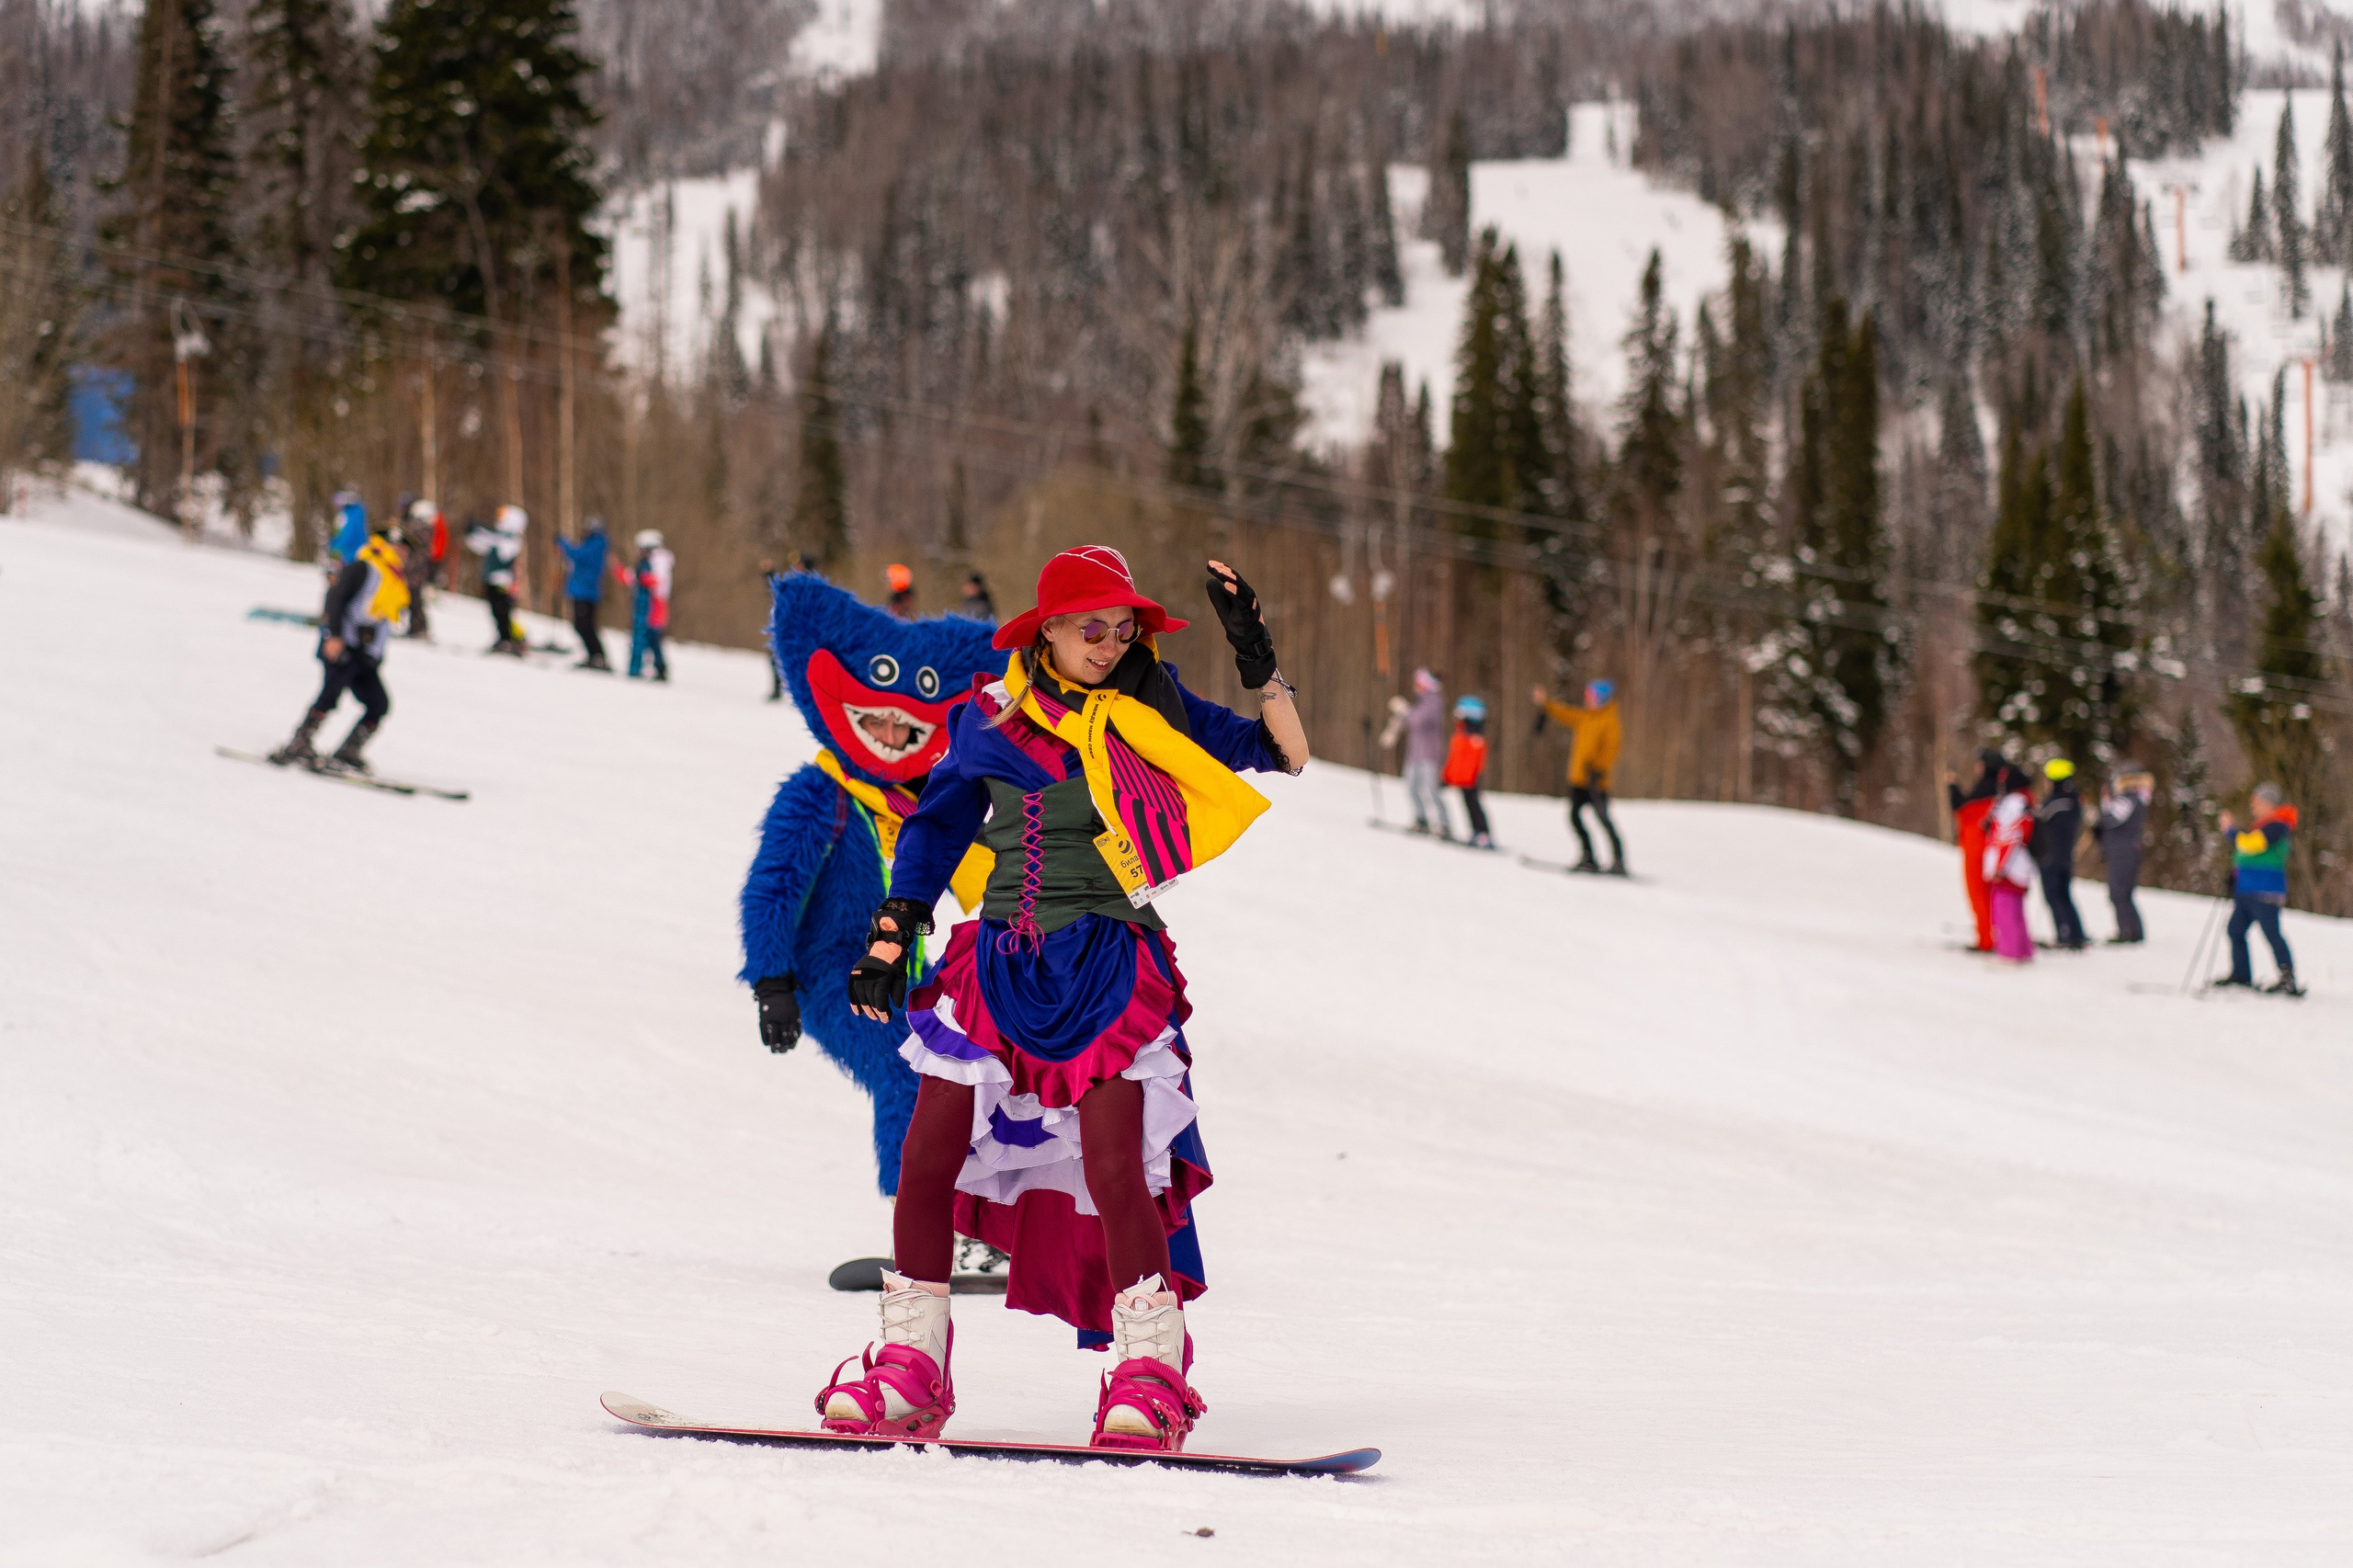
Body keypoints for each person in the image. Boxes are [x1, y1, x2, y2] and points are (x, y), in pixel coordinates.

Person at [823, 545, 1306, 1453]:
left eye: (1123, 631)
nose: (1109, 644)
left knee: (1117, 1167)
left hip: (1107, 965)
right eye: (1093, 629)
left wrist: (1257, 659)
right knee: (926, 1157)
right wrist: (895, 927)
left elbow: (1282, 753)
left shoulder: (1150, 708)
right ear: (1045, 629)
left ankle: (1150, 1374)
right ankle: (910, 1368)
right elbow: (935, 826)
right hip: (995, 964)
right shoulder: (988, 717)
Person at [740, 571, 1006, 1225]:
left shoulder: (919, 802)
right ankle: (919, 1221)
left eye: (905, 717)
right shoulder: (819, 794)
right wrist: (773, 982)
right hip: (832, 977)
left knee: (973, 1069)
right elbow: (774, 888)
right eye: (876, 716)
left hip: (905, 972)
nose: (890, 730)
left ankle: (980, 1215)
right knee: (903, 1071)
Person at [269, 513, 409, 772]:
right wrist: (334, 636)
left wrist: (375, 654)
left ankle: (348, 751)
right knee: (330, 694)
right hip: (343, 644)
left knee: (378, 703)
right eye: (401, 548)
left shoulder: (393, 579)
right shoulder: (364, 567)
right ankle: (299, 742)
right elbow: (335, 598)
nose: (405, 554)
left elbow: (382, 621)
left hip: (364, 653)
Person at [1532, 678, 1627, 874]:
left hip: (1595, 781)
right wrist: (1546, 703)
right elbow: (1564, 713)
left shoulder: (1609, 721)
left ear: (1602, 698)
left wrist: (1598, 768)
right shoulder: (1585, 717)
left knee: (1603, 819)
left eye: (1591, 696)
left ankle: (1619, 861)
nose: (1587, 700)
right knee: (1574, 817)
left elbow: (1612, 748)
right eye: (1587, 696)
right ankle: (1588, 857)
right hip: (1579, 781)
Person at [2215, 783, 2302, 994]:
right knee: (2235, 930)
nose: (2253, 807)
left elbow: (2250, 845)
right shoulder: (2263, 826)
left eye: (2257, 802)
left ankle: (2287, 978)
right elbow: (2247, 853)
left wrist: (2230, 829)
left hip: (2265, 892)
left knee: (2271, 933)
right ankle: (2241, 974)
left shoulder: (2278, 826)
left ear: (2269, 804)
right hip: (2247, 890)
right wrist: (2234, 876)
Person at [1946, 750, 2010, 952]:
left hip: (1977, 846)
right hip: (1987, 846)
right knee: (1988, 893)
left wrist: (1953, 786)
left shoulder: (1986, 787)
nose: (1977, 767)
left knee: (1978, 892)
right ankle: (1994, 935)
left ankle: (1986, 939)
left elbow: (1962, 809)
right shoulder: (2000, 789)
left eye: (1980, 763)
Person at [1383, 667, 1449, 835]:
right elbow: (1410, 719)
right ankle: (1421, 819)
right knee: (1411, 787)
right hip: (1414, 754)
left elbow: (1417, 719)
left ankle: (1444, 823)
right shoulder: (1420, 703)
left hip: (1429, 754)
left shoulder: (1434, 701)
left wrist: (1404, 711)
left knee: (1432, 789)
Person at [1983, 770, 2038, 962]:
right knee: (2015, 910)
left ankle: (2010, 953)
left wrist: (2000, 867)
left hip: (2009, 868)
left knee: (2004, 910)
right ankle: (2023, 950)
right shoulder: (2023, 802)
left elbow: (2010, 836)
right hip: (2018, 866)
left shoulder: (2012, 804)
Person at [2092, 765, 2152, 943]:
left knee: (2118, 892)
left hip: (2122, 852)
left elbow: (2110, 819)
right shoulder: (2135, 798)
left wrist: (2101, 815)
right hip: (2125, 850)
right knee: (2123, 893)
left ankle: (2128, 932)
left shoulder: (2127, 799)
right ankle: (2132, 931)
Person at [2033, 758, 2087, 950]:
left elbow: (2039, 819)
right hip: (2065, 856)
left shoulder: (2056, 803)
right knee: (2064, 895)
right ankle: (2076, 934)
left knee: (2054, 896)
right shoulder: (2073, 800)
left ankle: (2065, 935)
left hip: (2051, 856)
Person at [465, 506, 527, 655]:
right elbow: (481, 545)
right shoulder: (500, 537)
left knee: (502, 612)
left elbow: (502, 551)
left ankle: (508, 639)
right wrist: (473, 533)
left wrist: (481, 530)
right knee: (497, 611)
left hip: (503, 581)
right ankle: (505, 638)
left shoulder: (512, 539)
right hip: (492, 579)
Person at [619, 528, 674, 680]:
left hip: (655, 605)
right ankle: (656, 667)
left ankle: (658, 668)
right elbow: (633, 578)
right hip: (650, 604)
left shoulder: (659, 560)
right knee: (650, 638)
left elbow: (657, 581)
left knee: (652, 638)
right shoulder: (649, 562)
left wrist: (642, 578)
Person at [558, 517, 612, 671]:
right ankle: (595, 656)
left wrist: (563, 543)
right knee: (583, 625)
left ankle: (597, 656)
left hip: (586, 592)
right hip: (583, 591)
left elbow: (578, 555)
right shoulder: (593, 543)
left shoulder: (596, 544)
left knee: (584, 625)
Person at [1443, 695, 1493, 848]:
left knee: (1473, 804)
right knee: (1468, 804)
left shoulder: (1475, 738)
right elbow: (1455, 760)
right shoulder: (1461, 734)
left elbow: (1473, 763)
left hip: (1470, 780)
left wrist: (1468, 778)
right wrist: (1448, 777)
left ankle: (1483, 833)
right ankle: (1477, 831)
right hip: (1463, 780)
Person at [397, 497, 439, 640]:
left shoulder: (422, 527)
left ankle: (419, 627)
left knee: (415, 599)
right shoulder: (426, 527)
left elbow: (408, 536)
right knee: (413, 599)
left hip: (416, 570)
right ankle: (417, 627)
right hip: (416, 569)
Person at [326, 488, 369, 568]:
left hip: (348, 555)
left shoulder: (346, 516)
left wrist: (336, 551)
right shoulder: (358, 513)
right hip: (356, 553)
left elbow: (346, 535)